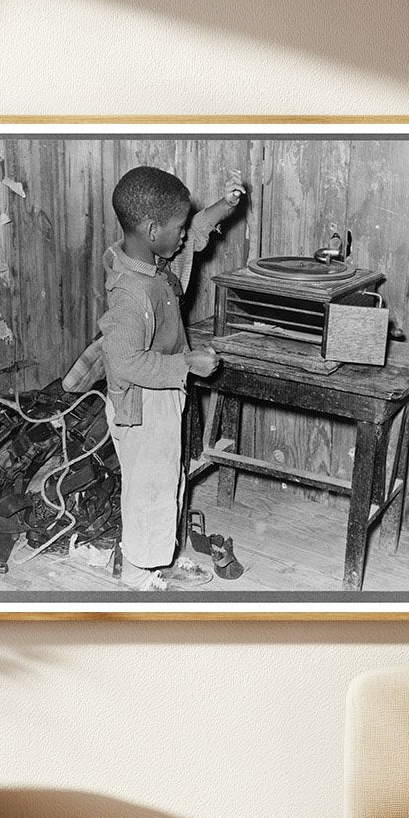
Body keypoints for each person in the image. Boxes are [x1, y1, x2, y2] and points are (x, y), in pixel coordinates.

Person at [99, 165, 245, 590]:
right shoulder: (131, 293)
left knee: (168, 479)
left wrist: (226, 204)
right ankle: (138, 575)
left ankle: (158, 557)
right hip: (142, 406)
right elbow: (124, 360)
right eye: (177, 227)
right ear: (151, 228)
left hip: (161, 394)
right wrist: (186, 365)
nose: (184, 234)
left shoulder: (156, 259)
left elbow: (196, 231)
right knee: (149, 489)